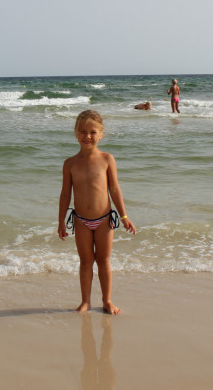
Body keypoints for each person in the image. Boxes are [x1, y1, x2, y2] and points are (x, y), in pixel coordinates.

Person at [58, 110, 136, 314]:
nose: (87, 136)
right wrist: (61, 221)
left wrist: (124, 216)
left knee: (103, 261)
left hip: (104, 220)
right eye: (82, 131)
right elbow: (65, 194)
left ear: (101, 134)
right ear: (75, 133)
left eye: (93, 132)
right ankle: (85, 301)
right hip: (81, 221)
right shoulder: (70, 163)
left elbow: (115, 189)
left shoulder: (107, 159)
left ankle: (107, 300)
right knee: (85, 262)